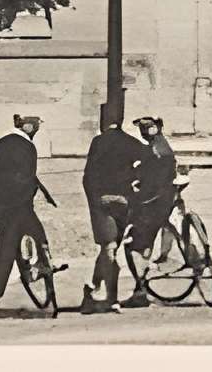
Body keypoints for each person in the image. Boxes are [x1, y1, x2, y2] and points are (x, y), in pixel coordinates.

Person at [0, 113, 55, 317]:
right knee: (11, 246)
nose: (37, 130)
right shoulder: (27, 147)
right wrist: (29, 198)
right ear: (28, 127)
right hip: (16, 205)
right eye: (36, 126)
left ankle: (31, 268)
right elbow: (26, 178)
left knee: (18, 237)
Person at [77, 106, 142, 313]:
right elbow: (144, 167)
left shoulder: (98, 142)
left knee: (108, 248)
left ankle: (110, 298)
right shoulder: (131, 143)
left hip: (102, 200)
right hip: (124, 201)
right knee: (110, 248)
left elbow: (88, 176)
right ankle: (92, 288)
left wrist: (93, 201)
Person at [124, 114, 182, 302]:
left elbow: (147, 184)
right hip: (169, 200)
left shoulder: (152, 152)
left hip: (154, 204)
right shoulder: (164, 146)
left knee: (133, 244)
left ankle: (140, 290)